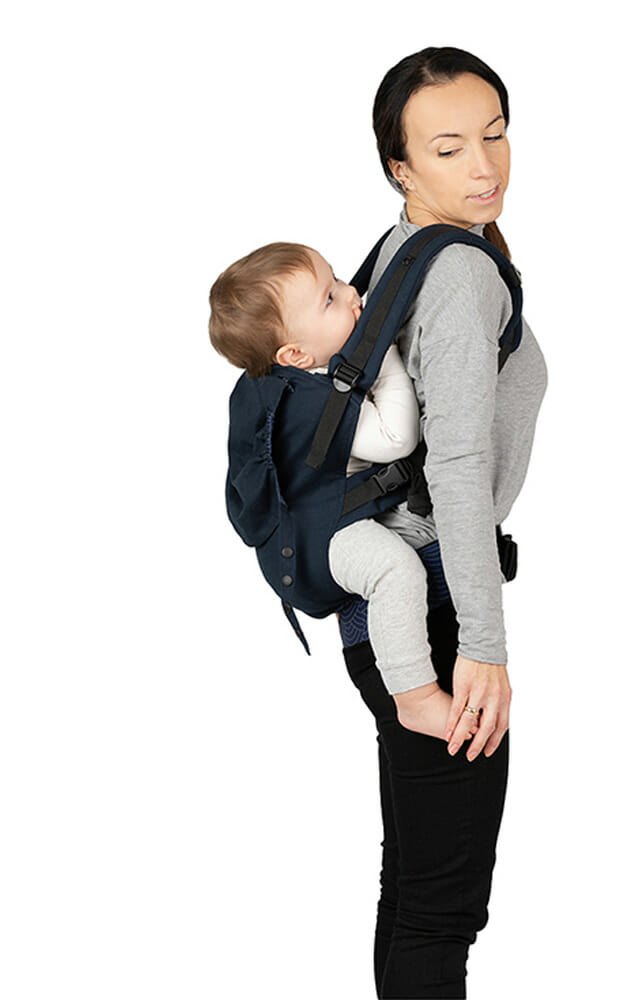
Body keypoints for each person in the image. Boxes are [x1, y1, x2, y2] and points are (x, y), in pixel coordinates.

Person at [342, 47, 547, 997]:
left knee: (416, 889)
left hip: (383, 601)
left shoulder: (398, 252)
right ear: (401, 167)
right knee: (440, 909)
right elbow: (459, 468)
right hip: (434, 611)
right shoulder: (459, 272)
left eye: (495, 135)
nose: (484, 167)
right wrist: (483, 645)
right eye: (449, 147)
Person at [208, 242, 483, 746]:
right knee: (396, 570)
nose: (352, 293)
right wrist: (386, 352)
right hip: (319, 548)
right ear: (295, 355)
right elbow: (395, 438)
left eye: (337, 279)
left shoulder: (284, 382)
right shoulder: (311, 404)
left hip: (309, 535)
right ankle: (415, 697)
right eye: (330, 298)